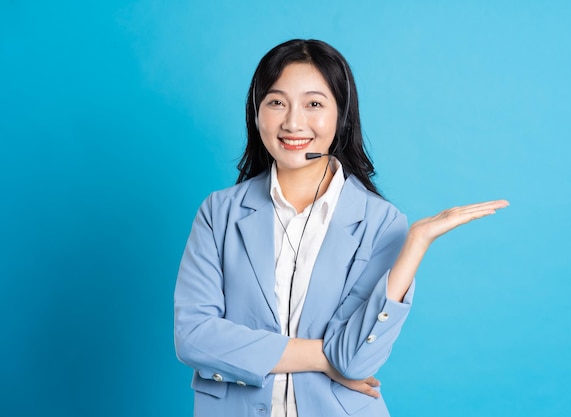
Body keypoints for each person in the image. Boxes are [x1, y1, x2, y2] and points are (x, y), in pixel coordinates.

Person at [174, 39, 508, 417]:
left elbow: (355, 360)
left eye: (314, 104)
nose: (293, 122)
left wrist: (415, 243)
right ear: (256, 112)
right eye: (276, 102)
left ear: (342, 116)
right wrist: (322, 356)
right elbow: (194, 337)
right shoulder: (219, 212)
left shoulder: (381, 222)